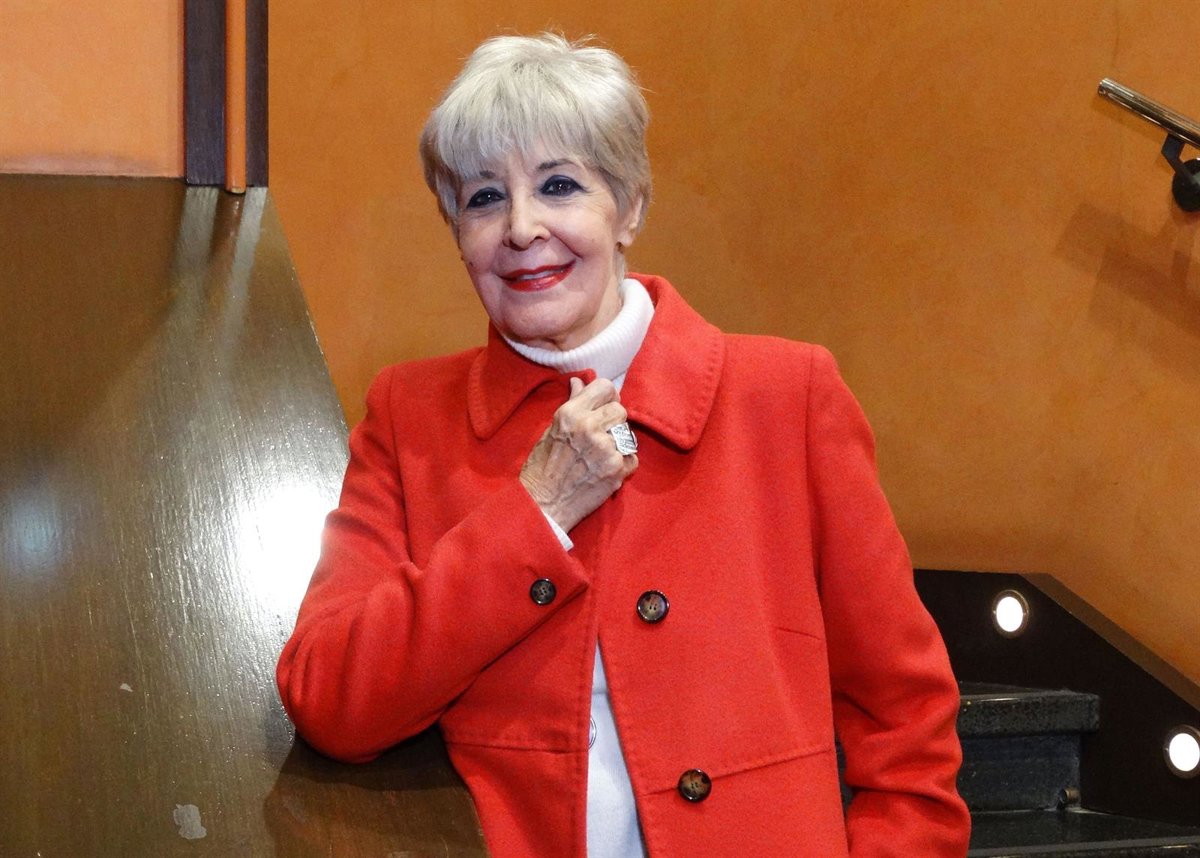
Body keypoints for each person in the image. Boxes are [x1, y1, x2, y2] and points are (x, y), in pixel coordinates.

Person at [277, 32, 970, 858]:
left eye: (559, 186)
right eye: (485, 199)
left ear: (630, 207)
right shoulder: (408, 418)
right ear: (456, 231)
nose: (522, 228)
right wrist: (533, 514)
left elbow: (906, 724)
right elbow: (332, 700)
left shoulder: (788, 397)